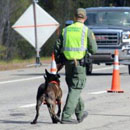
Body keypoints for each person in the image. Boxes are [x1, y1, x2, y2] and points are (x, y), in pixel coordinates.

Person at [54, 8, 97, 124]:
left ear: (74, 17)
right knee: (76, 88)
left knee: (73, 89)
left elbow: (57, 47)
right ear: (85, 18)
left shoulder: (65, 30)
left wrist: (59, 61)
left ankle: (80, 112)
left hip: (68, 64)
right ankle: (66, 116)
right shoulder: (86, 30)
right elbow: (94, 49)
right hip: (79, 64)